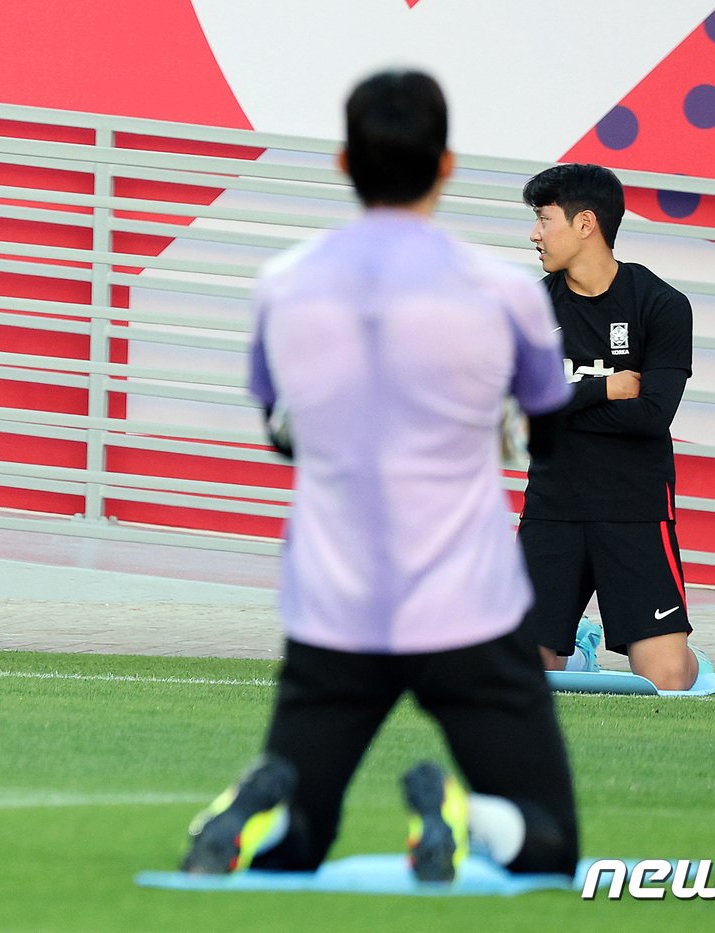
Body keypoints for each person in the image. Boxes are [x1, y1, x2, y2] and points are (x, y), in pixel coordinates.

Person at [181, 70, 579, 883]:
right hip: (467, 602)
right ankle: (463, 812)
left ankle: (253, 814)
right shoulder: (504, 290)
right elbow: (550, 426)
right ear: (446, 164)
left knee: (297, 846)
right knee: (547, 842)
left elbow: (281, 431)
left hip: (335, 601)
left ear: (343, 162)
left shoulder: (283, 283)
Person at [518, 163, 709, 690]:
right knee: (515, 675)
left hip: (634, 510)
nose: (534, 234)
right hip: (552, 508)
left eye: (544, 219)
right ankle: (578, 650)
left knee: (668, 680)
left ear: (585, 224)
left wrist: (559, 403)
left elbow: (651, 416)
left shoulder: (662, 304)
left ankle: (691, 658)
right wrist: (603, 388)